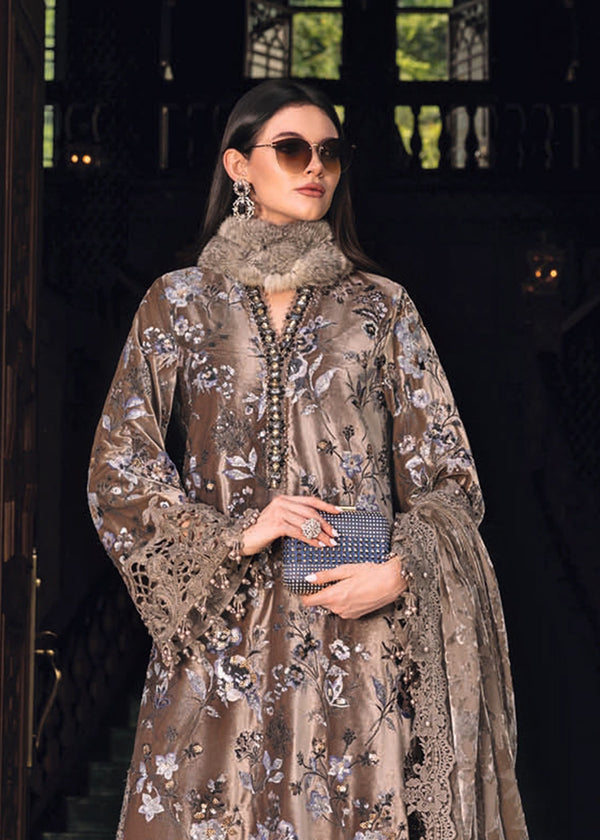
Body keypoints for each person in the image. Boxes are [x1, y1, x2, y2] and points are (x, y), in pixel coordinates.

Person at [88, 79, 528, 840]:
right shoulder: (178, 303)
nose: (315, 166)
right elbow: (119, 465)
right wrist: (236, 534)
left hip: (359, 636)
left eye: (329, 151)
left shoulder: (382, 308)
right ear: (238, 165)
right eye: (291, 149)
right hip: (221, 642)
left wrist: (401, 572)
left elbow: (450, 478)